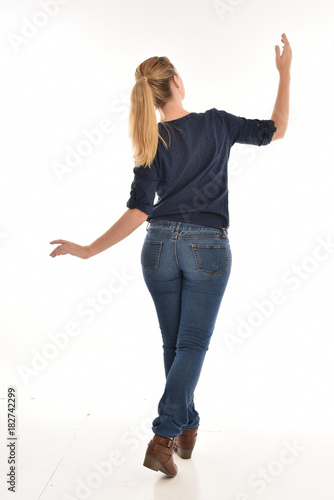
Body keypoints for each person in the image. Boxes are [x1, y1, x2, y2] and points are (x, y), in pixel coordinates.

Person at [49, 33, 292, 478]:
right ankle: (164, 434)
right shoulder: (216, 123)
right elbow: (276, 129)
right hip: (207, 247)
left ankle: (187, 425)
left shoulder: (149, 139)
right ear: (176, 82)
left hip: (158, 247)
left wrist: (87, 249)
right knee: (192, 345)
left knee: (175, 344)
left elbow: (140, 210)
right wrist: (285, 73)